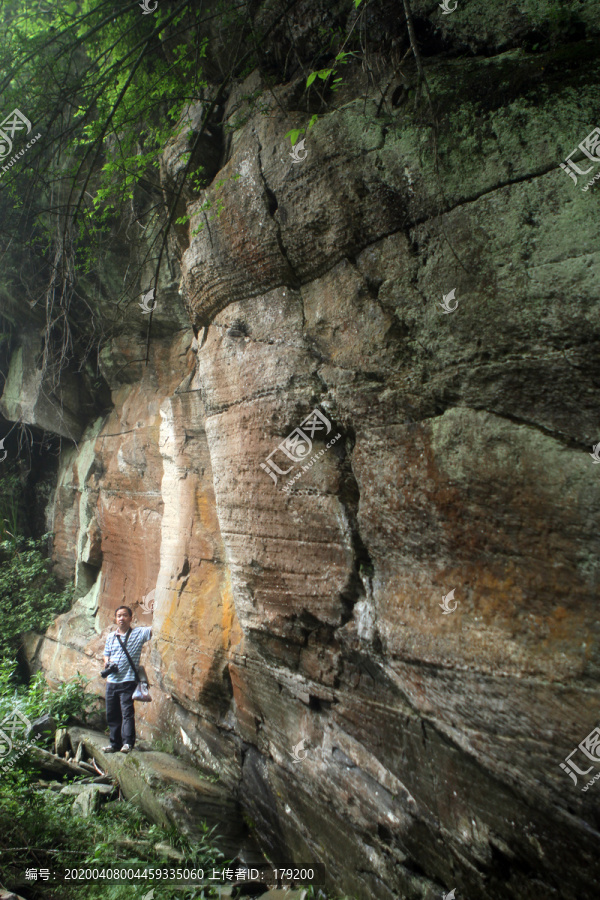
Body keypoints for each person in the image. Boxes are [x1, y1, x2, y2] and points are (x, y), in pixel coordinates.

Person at [102, 606, 152, 754]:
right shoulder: (111, 636)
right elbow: (106, 654)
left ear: (131, 618)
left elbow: (156, 629)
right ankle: (114, 744)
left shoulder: (139, 633)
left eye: (124, 615)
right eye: (118, 616)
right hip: (111, 681)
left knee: (127, 712)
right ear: (115, 619)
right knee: (112, 714)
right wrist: (107, 662)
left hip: (128, 681)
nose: (121, 618)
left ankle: (128, 743)